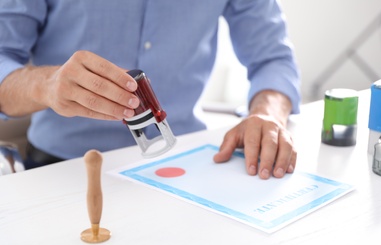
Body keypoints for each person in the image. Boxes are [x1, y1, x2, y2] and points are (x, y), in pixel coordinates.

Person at [0, 0, 300, 179]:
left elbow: (273, 58)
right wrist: (47, 85)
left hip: (186, 165)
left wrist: (268, 114)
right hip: (63, 170)